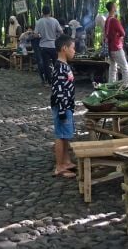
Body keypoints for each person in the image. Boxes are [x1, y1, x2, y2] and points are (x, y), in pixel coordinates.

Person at [50, 35, 76, 178]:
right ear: (64, 48)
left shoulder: (65, 66)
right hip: (62, 106)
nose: (74, 51)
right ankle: (59, 166)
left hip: (67, 106)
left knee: (66, 135)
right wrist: (62, 111)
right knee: (61, 135)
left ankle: (66, 161)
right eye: (73, 48)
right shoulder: (60, 68)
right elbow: (58, 91)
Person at [34, 6, 63, 85]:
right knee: (56, 64)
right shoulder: (55, 21)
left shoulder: (39, 22)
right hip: (53, 45)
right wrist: (57, 38)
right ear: (50, 12)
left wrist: (41, 35)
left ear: (42, 12)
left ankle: (49, 81)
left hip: (43, 46)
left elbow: (35, 35)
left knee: (46, 64)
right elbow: (61, 32)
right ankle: (58, 80)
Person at [105, 1, 128, 86]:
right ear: (112, 8)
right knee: (125, 68)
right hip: (116, 47)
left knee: (112, 68)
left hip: (110, 47)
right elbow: (123, 33)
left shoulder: (107, 20)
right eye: (115, 6)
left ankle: (111, 85)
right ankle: (126, 86)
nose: (116, 7)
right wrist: (118, 35)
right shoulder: (114, 20)